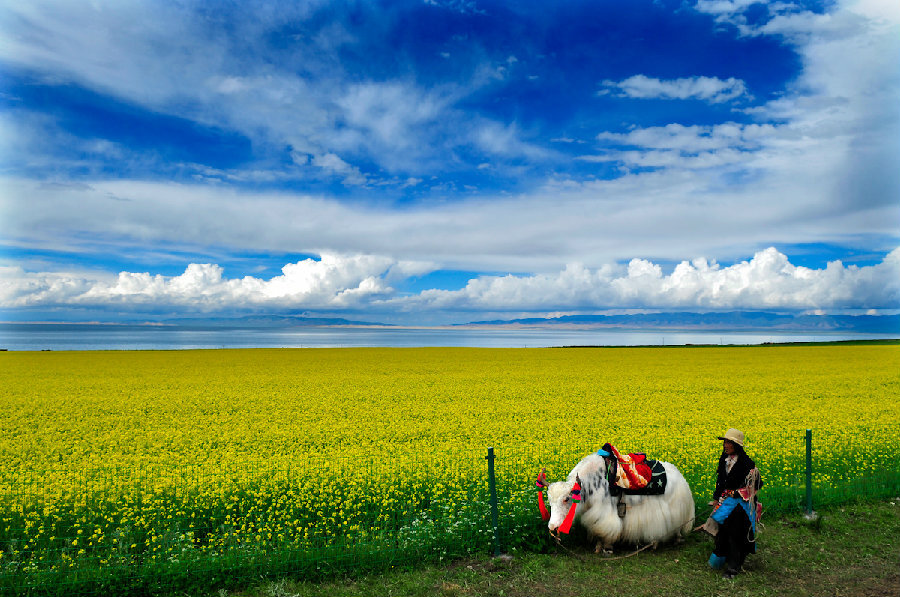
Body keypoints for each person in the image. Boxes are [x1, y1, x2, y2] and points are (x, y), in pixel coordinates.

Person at [700, 428, 763, 579]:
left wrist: (737, 492)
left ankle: (734, 566)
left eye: (729, 442)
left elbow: (757, 484)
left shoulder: (747, 463)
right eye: (725, 442)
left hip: (741, 506)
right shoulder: (724, 459)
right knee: (724, 530)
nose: (725, 445)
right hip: (726, 503)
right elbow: (720, 481)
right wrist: (716, 498)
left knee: (736, 533)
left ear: (737, 445)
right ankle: (722, 556)